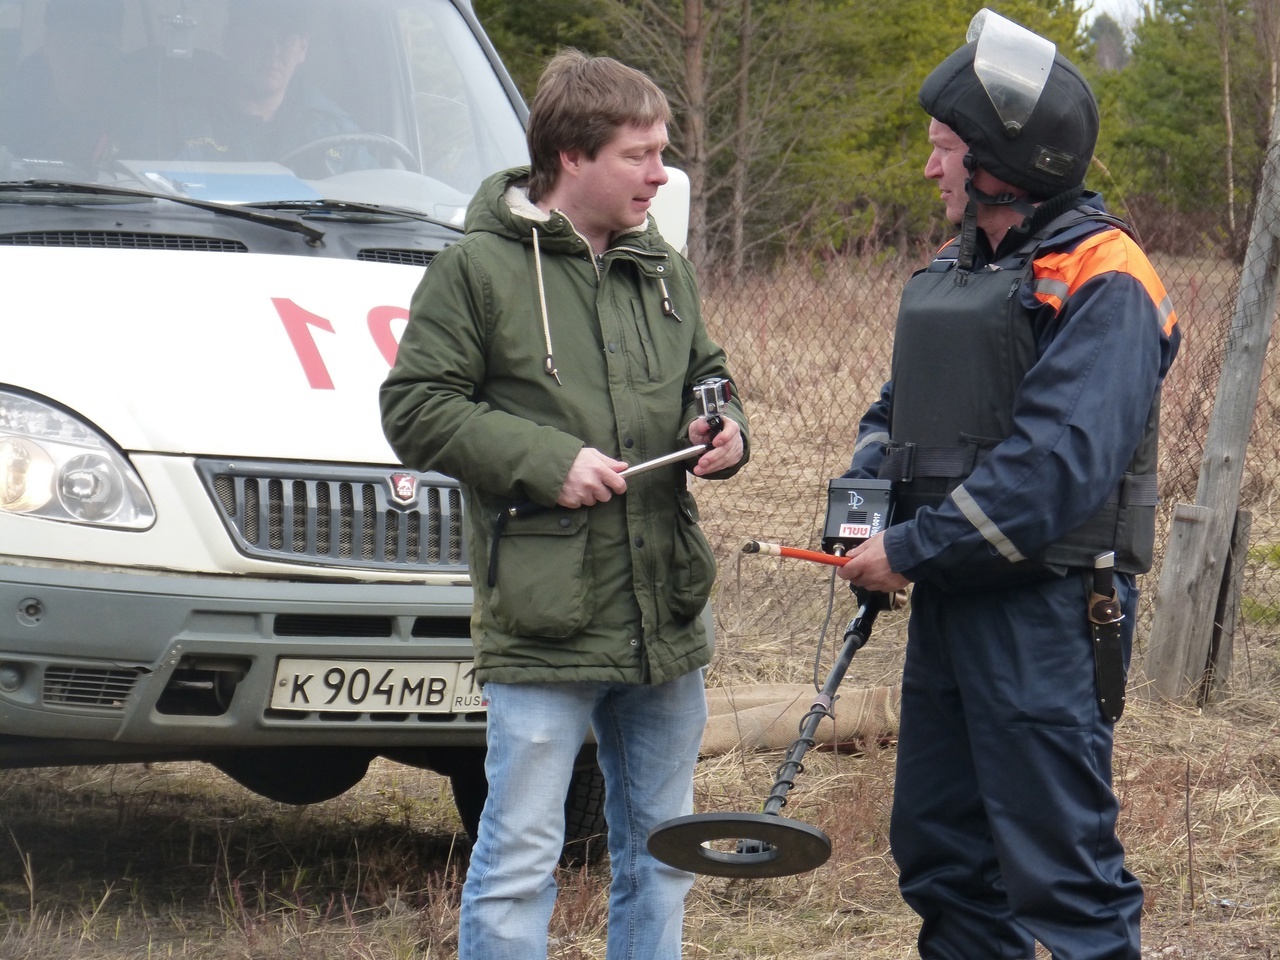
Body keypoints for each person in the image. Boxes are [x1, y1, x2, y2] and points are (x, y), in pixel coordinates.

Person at [379, 49, 748, 960]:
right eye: (642, 154)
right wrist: (549, 462)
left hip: (664, 615)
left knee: (663, 856)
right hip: (546, 622)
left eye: (664, 153)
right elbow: (415, 409)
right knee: (518, 858)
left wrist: (725, 427)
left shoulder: (663, 266)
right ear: (571, 157)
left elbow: (709, 373)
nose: (663, 175)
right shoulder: (474, 271)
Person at [836, 10, 1179, 960]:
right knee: (943, 858)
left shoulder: (1108, 279)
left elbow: (1049, 474)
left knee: (1060, 875)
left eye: (944, 149)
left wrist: (906, 549)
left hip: (1051, 613)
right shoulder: (959, 272)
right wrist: (869, 483)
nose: (930, 168)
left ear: (1002, 163)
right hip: (952, 601)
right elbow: (892, 411)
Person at [176, 0, 366, 176]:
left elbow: (371, 201)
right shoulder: (182, 117)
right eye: (257, 38)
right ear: (229, 41)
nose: (272, 51)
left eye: (285, 39)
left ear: (302, 48)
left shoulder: (337, 132)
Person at [1, 0, 128, 169]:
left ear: (117, 49)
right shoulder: (10, 108)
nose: (83, 63)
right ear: (47, 44)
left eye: (99, 49)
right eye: (71, 46)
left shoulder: (144, 99)